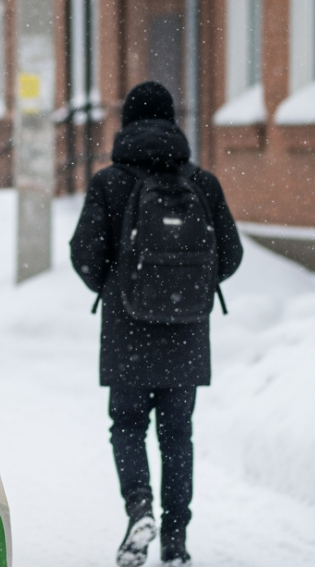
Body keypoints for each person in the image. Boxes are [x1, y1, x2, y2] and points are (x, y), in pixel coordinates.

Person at [69, 81, 243, 567]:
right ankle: (176, 540)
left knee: (126, 424)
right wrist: (189, 287)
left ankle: (139, 506)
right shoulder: (201, 181)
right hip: (186, 327)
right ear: (172, 122)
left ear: (127, 123)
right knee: (176, 434)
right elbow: (230, 255)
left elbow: (83, 255)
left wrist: (117, 286)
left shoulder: (110, 182)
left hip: (127, 327)